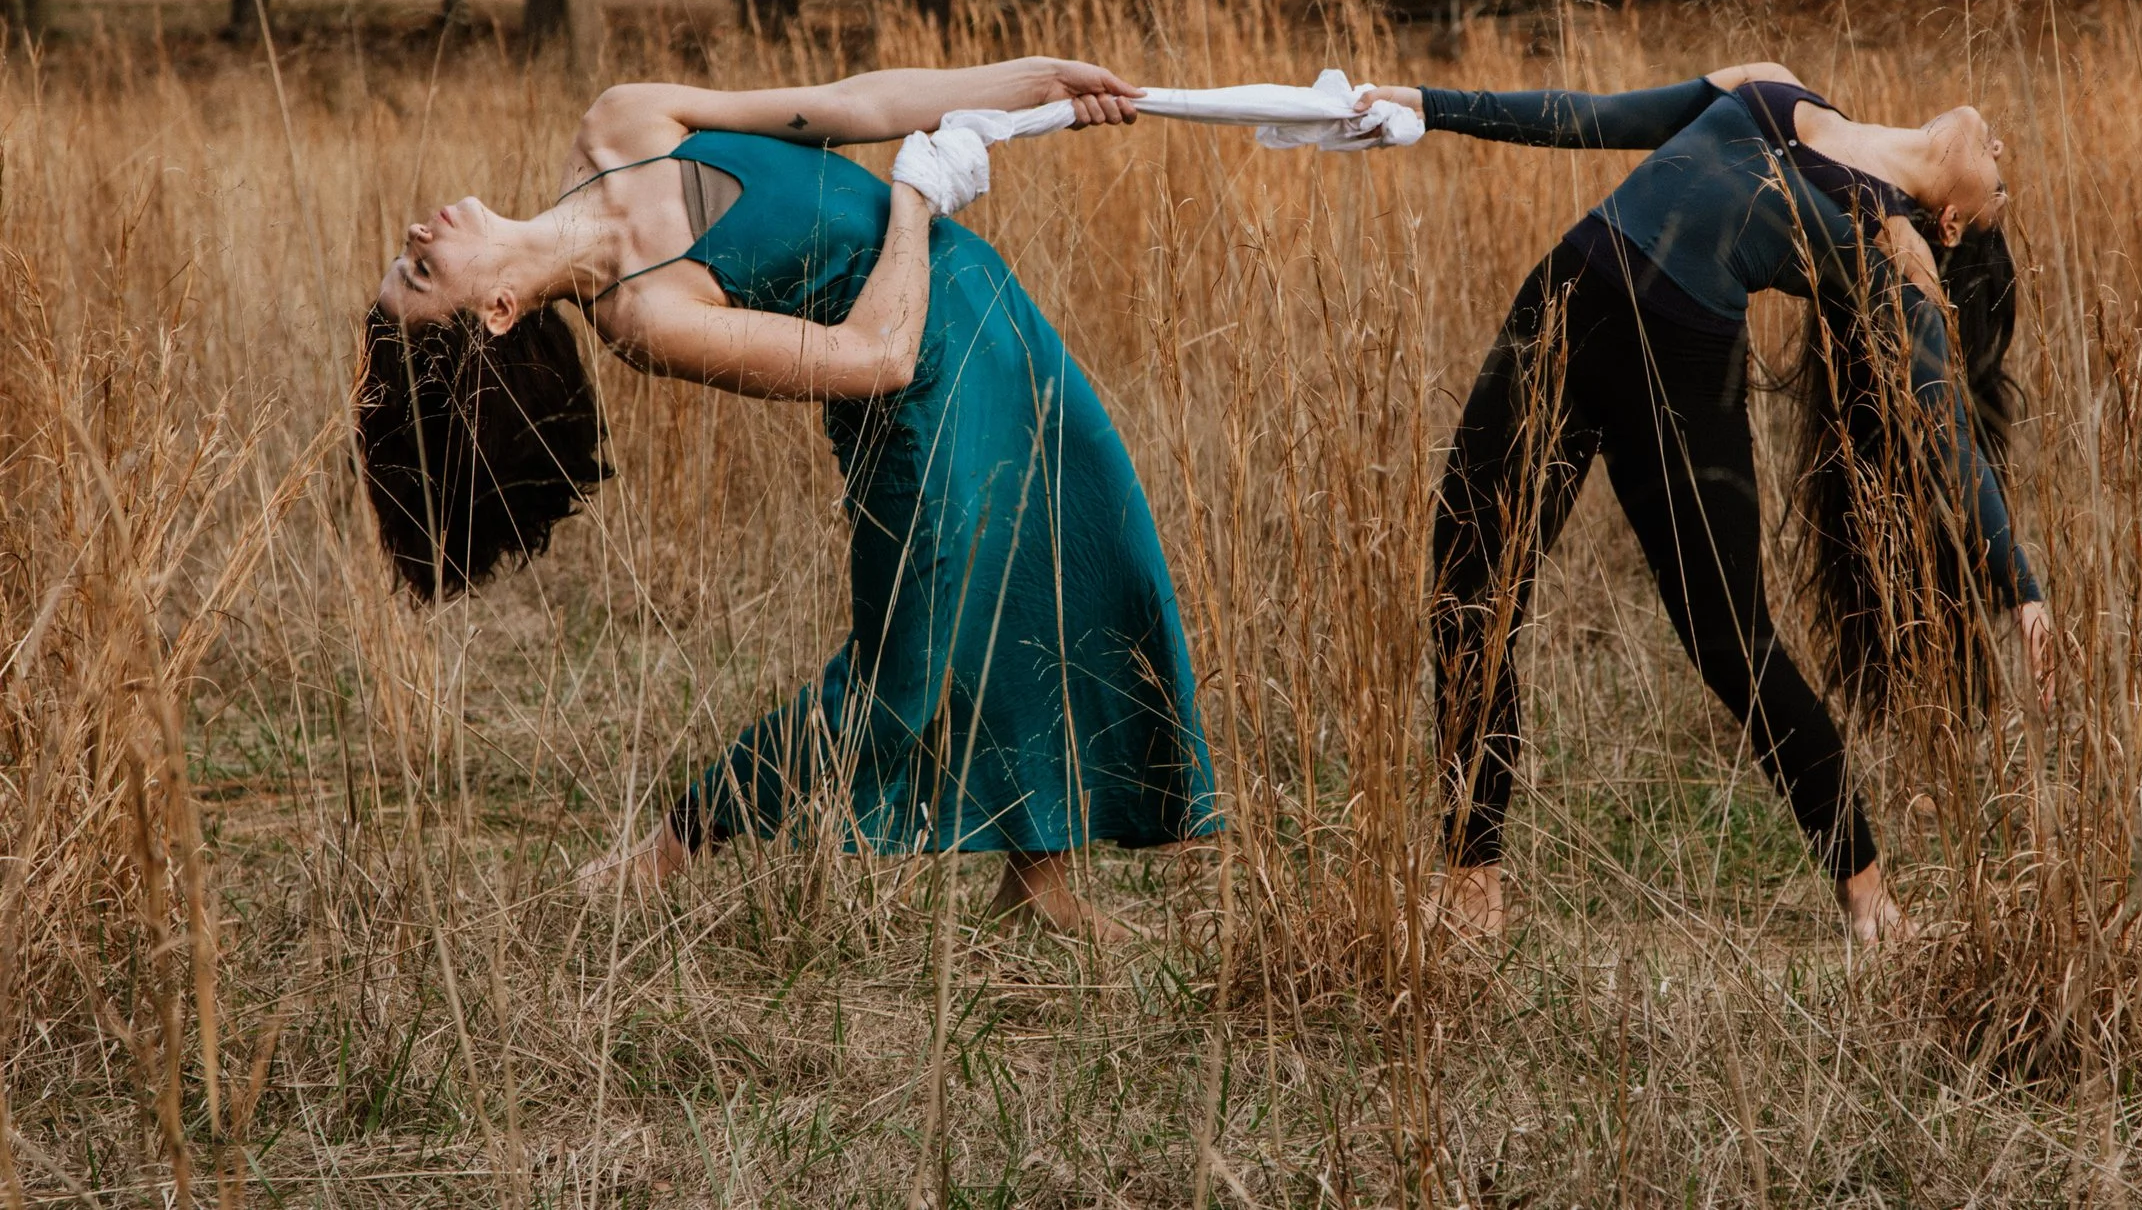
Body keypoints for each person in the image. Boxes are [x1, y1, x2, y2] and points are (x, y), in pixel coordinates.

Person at [356, 58, 1218, 935]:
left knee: (1064, 570)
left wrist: (1035, 83)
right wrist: (915, 202)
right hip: (926, 404)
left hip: (998, 318)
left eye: (406, 259)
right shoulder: (647, 317)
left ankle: (1040, 882)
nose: (417, 236)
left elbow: (857, 105)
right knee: (903, 677)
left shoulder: (623, 121)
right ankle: (674, 844)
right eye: (421, 274)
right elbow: (876, 358)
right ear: (499, 310)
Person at [1356, 64, 2054, 945]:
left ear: (1951, 221)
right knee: (1467, 582)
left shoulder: (1893, 256)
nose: (2001, 152)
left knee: (1730, 640)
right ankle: (1471, 876)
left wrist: (2020, 581)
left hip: (1676, 369)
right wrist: (1426, 106)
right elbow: (1590, 116)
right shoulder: (1772, 84)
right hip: (1562, 302)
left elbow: (1947, 428)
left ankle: (1868, 892)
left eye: (2001, 182)